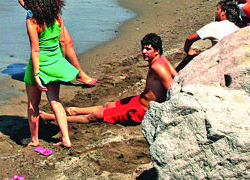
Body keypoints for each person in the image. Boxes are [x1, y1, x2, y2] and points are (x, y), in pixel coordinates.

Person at [45, 34, 176, 126]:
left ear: (157, 51)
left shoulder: (158, 67)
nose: (143, 52)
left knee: (94, 117)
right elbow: (177, 76)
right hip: (139, 100)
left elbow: (172, 88)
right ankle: (75, 110)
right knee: (108, 105)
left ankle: (52, 117)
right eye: (143, 48)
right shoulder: (162, 59)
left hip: (141, 111)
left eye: (148, 49)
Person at [22, 0, 91, 148]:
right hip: (55, 63)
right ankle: (66, 138)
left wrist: (36, 74)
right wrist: (60, 61)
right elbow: (63, 42)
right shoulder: (57, 18)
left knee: (33, 103)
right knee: (55, 100)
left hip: (39, 65)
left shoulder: (32, 22)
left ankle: (34, 139)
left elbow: (35, 49)